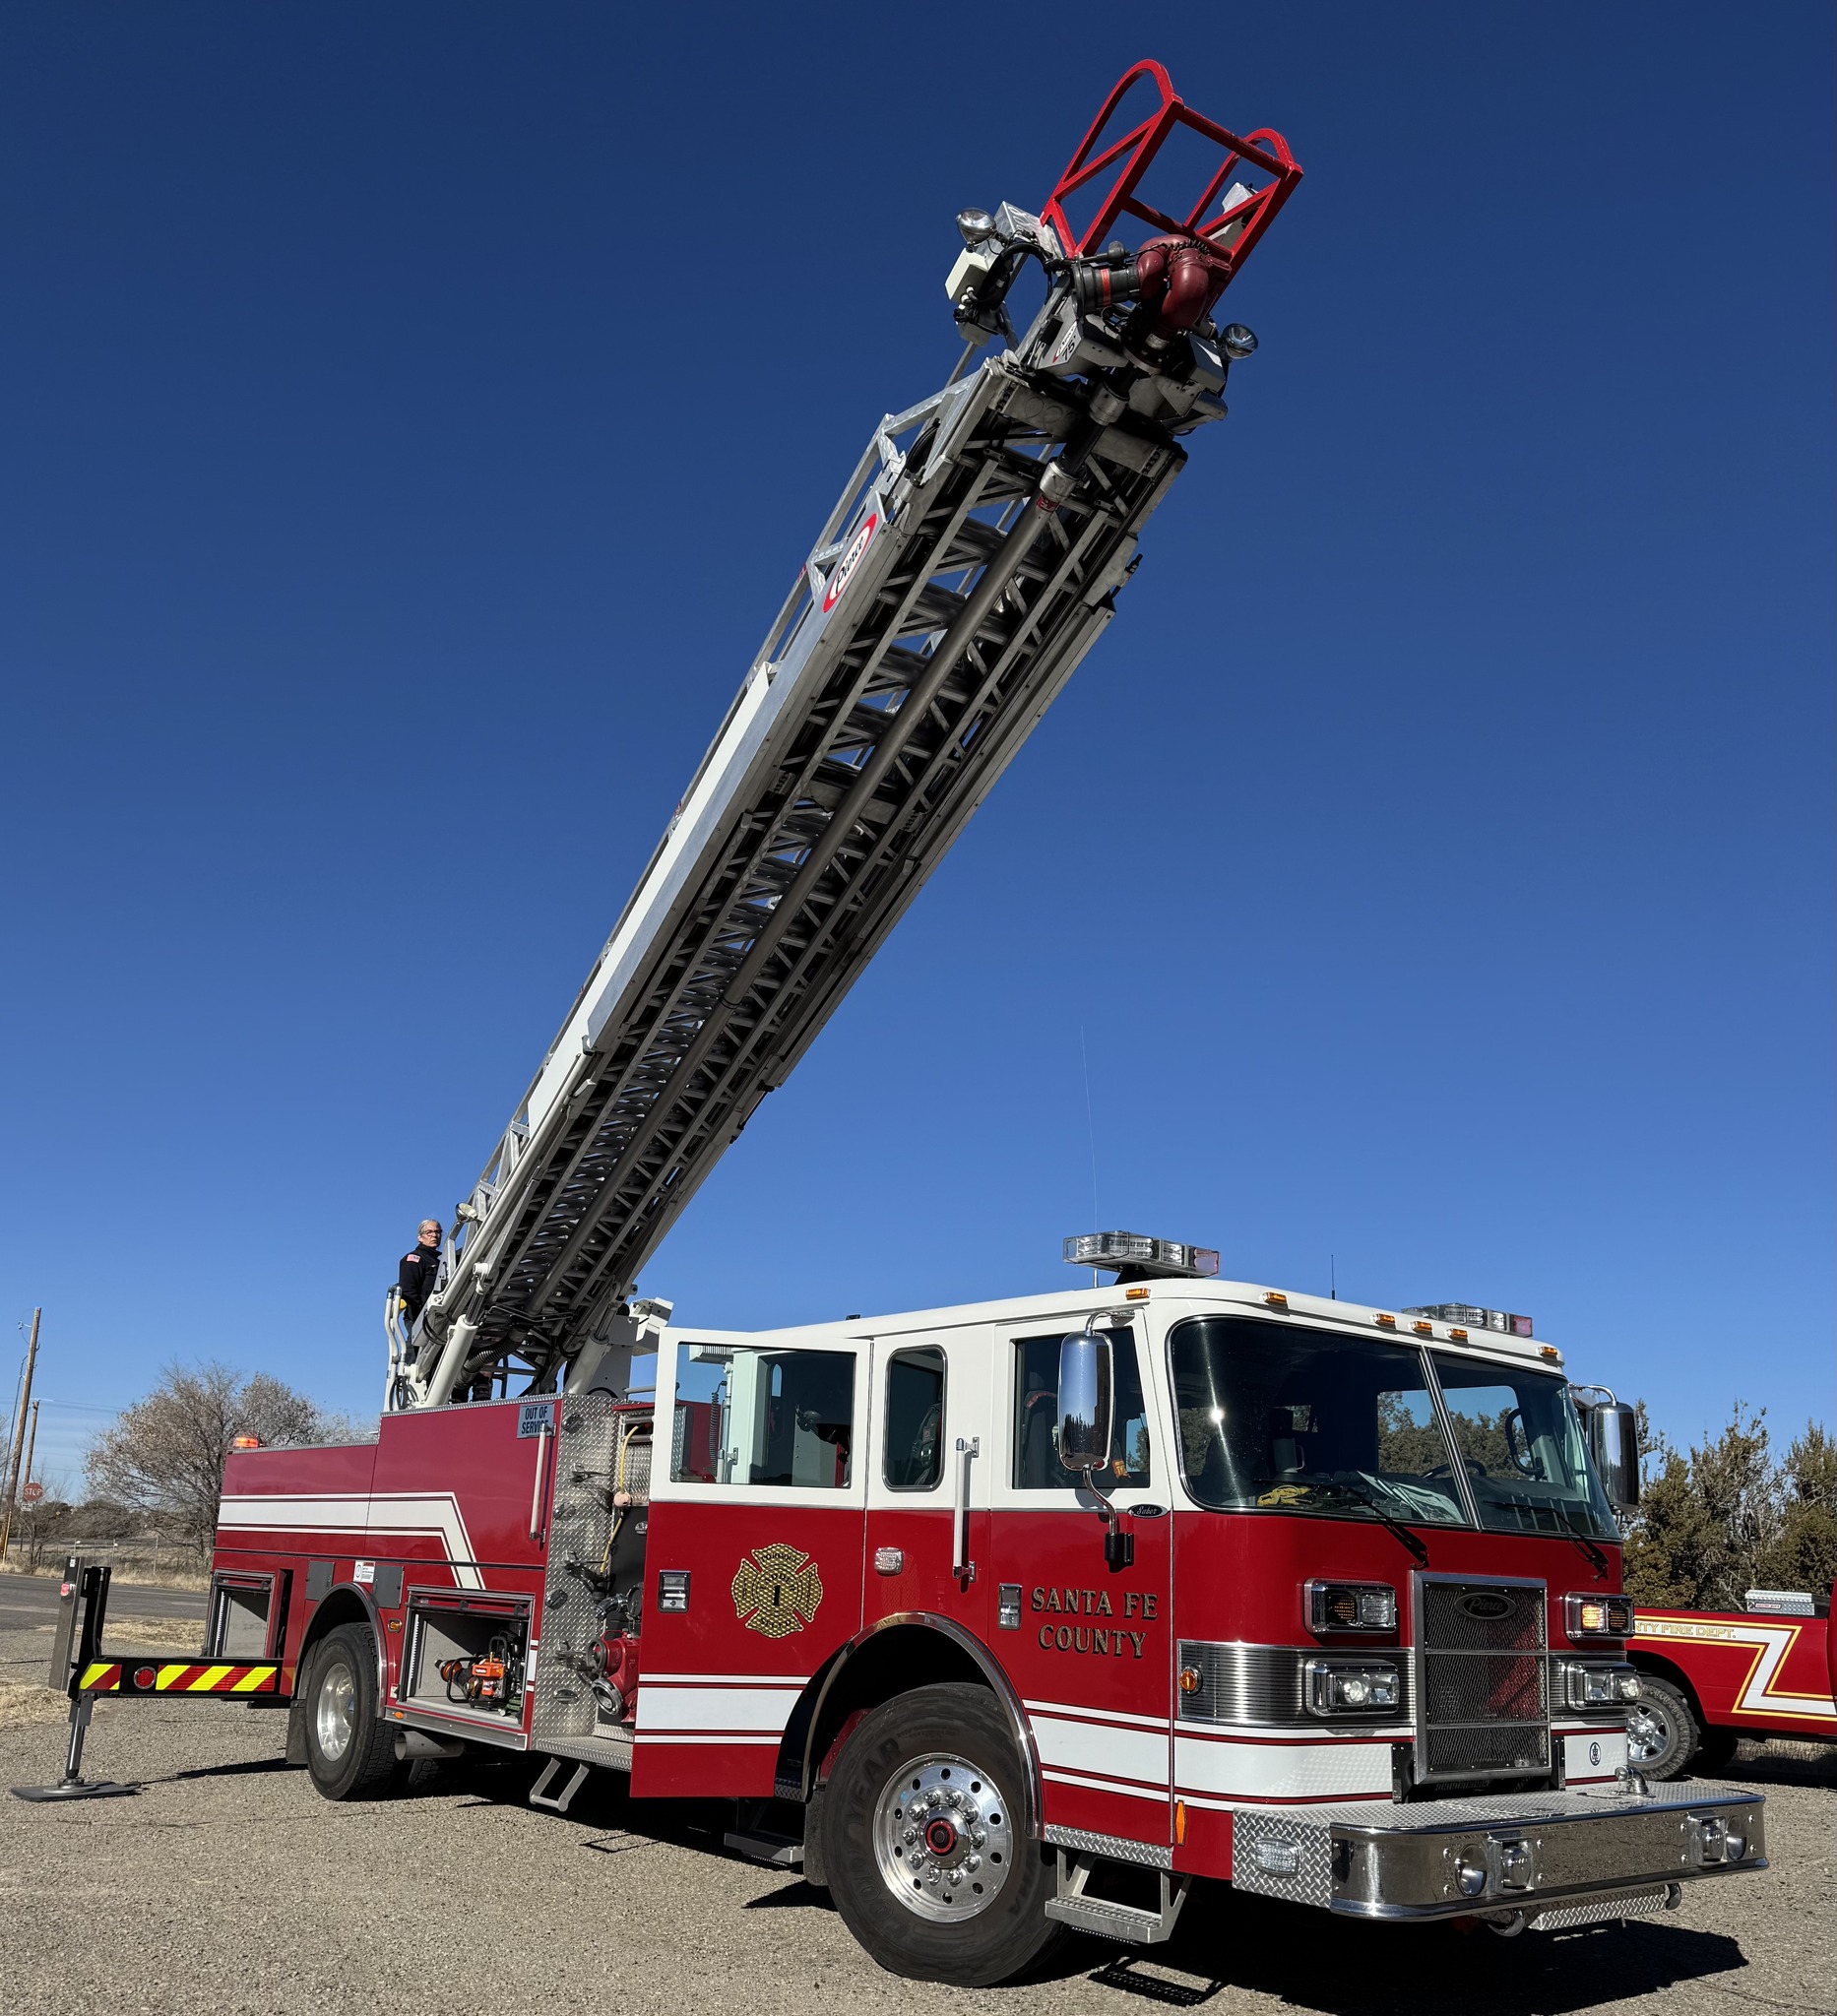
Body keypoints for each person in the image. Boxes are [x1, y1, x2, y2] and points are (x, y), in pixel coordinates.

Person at [398, 1220, 444, 1351]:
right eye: (429, 1232)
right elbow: (408, 1290)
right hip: (418, 1317)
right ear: (420, 1237)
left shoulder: (442, 1262)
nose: (434, 1235)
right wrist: (420, 1316)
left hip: (439, 1316)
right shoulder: (414, 1258)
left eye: (438, 1232)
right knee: (417, 1353)